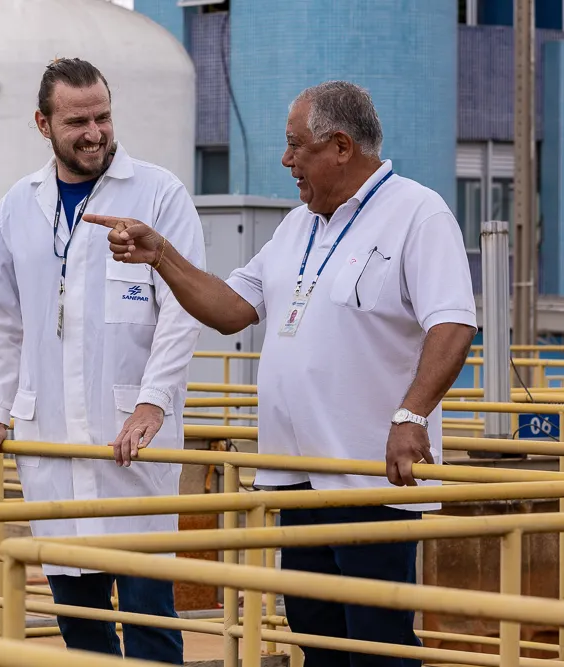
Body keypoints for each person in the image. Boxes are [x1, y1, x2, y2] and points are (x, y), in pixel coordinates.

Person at [85, 81, 477, 667]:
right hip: (296, 478)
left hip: (369, 479)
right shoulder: (297, 226)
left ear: (340, 146)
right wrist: (160, 255)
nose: (286, 160)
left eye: (296, 146)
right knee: (314, 634)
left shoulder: (417, 213)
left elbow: (453, 322)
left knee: (377, 644)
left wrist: (411, 413)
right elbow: (230, 310)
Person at [0, 58, 205, 664]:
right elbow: (2, 319)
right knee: (78, 625)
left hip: (132, 441)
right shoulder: (18, 206)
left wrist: (154, 400)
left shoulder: (157, 193)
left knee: (150, 617)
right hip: (53, 441)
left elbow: (183, 308)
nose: (95, 132)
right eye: (77, 121)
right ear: (43, 124)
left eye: (103, 116)